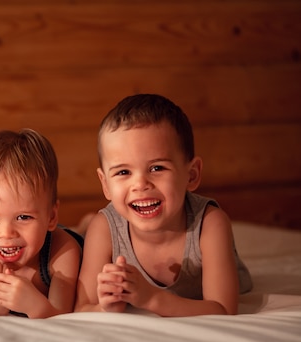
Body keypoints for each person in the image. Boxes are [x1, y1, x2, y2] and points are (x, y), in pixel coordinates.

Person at [76, 94, 252, 317]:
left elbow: (223, 309)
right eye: (123, 172)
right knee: (80, 237)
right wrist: (105, 306)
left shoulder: (209, 223)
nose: (140, 184)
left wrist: (152, 298)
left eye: (157, 168)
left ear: (191, 175)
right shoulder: (104, 228)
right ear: (105, 185)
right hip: (96, 225)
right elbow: (82, 307)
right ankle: (82, 227)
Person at [0, 129, 83, 318]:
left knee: (85, 236)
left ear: (51, 216)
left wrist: (33, 304)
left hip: (59, 237)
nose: (6, 233)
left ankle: (85, 225)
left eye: (23, 217)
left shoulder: (63, 251)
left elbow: (61, 316)